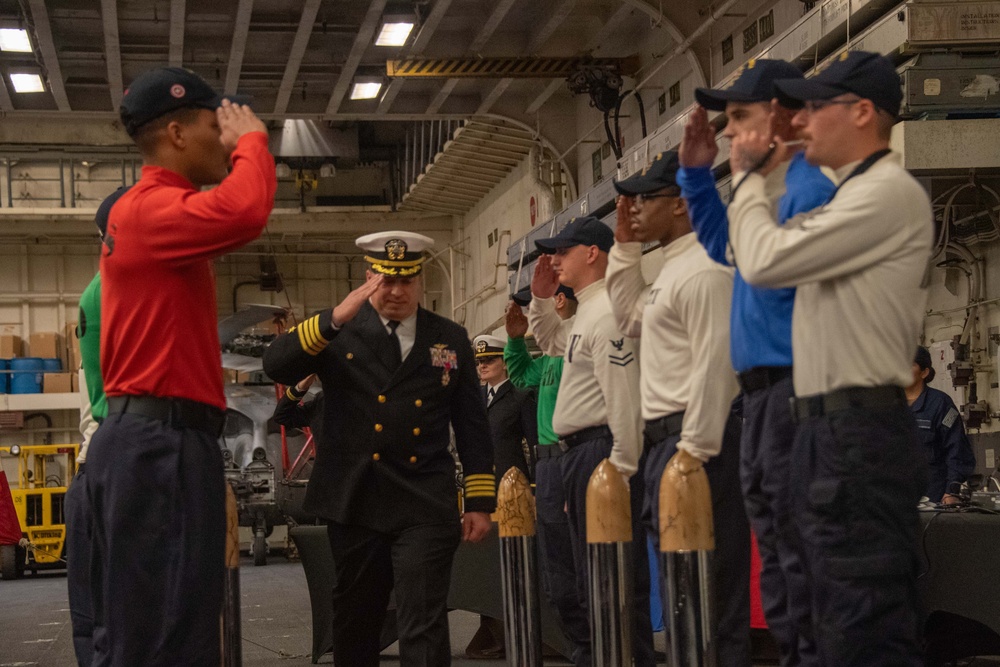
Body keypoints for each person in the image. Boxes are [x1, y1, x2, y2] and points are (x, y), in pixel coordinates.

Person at [726, 51, 933, 665]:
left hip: (858, 432)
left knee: (860, 623)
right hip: (826, 430)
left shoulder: (884, 196)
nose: (803, 120)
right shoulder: (851, 197)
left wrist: (748, 179)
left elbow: (762, 262)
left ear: (863, 112)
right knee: (822, 612)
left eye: (817, 106)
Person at [86, 67, 276, 666]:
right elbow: (245, 211)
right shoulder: (150, 211)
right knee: (157, 630)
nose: (222, 140)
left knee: (183, 623)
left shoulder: (155, 212)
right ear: (176, 132)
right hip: (156, 443)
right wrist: (252, 141)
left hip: (169, 439)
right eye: (212, 126)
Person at [262, 231, 495, 667]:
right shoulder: (338, 331)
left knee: (423, 617)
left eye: (406, 280)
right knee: (356, 617)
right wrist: (333, 318)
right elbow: (276, 363)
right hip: (356, 499)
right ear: (370, 277)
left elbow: (472, 424)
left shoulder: (448, 337)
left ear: (420, 280)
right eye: (387, 280)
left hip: (424, 498)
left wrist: (480, 500)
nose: (396, 291)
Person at [680, 59, 835, 666]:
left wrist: (738, 181)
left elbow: (764, 262)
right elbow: (725, 247)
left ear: (782, 117)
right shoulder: (769, 192)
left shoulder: (808, 189)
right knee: (778, 563)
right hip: (764, 401)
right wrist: (698, 175)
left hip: (799, 393)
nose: (727, 132)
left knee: (804, 563)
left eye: (739, 116)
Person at [606, 151, 751, 665]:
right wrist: (623, 249)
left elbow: (716, 366)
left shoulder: (706, 270)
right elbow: (629, 318)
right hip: (667, 442)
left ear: (684, 207)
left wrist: (694, 450)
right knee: (681, 593)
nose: (635, 207)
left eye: (648, 198)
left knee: (710, 596)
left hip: (698, 443)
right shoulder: (672, 269)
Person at [528, 217, 655, 666]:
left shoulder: (607, 313)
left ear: (592, 253)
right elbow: (551, 342)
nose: (555, 259)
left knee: (613, 578)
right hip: (582, 455)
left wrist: (617, 473)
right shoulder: (588, 312)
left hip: (603, 450)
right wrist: (541, 299)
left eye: (563, 250)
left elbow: (622, 399)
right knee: (592, 578)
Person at [504, 285, 591, 665]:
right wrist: (514, 340)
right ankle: (583, 647)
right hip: (548, 465)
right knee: (558, 576)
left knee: (586, 562)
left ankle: (602, 647)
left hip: (576, 455)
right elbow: (521, 375)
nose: (548, 304)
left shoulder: (581, 345)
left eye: (556, 296)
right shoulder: (553, 357)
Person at [65, 187, 129, 667]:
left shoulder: (99, 286)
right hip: (118, 469)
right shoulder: (117, 287)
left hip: (97, 467)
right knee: (120, 624)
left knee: (96, 624)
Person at [907, 346, 976, 504]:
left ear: (924, 372)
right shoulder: (888, 406)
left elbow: (957, 450)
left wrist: (951, 491)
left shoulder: (940, 404)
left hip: (932, 500)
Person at [474, 334, 536, 480]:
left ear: (505, 363)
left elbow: (535, 446)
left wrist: (535, 486)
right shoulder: (475, 398)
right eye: (480, 361)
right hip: (482, 484)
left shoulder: (521, 397)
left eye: (489, 360)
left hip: (512, 482)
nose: (482, 365)